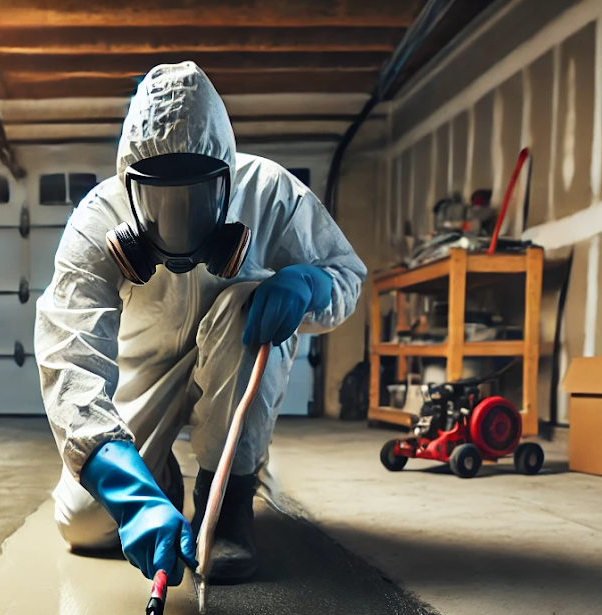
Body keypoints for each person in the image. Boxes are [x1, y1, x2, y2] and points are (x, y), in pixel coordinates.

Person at [37, 61, 366, 585]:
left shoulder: (270, 192)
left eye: (196, 198)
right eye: (160, 201)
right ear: (131, 188)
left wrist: (309, 283)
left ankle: (228, 497)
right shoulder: (97, 220)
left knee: (246, 300)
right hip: (145, 371)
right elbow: (68, 356)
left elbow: (345, 273)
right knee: (87, 524)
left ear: (227, 181)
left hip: (237, 351)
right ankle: (158, 479)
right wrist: (130, 491)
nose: (179, 221)